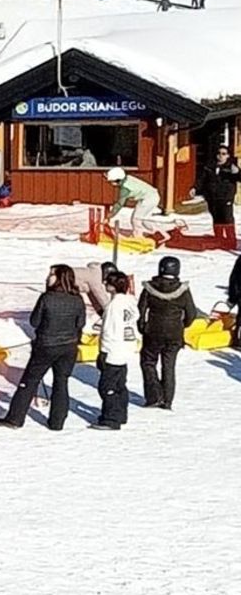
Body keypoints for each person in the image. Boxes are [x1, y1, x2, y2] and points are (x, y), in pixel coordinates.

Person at [0, 265, 85, 430]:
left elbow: (34, 321)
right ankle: (57, 422)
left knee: (30, 381)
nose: (47, 277)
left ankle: (15, 418)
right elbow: (81, 323)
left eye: (51, 274)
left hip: (46, 345)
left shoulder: (47, 298)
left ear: (59, 278)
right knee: (61, 382)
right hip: (69, 347)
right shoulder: (77, 299)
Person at [138, 254, 198, 410]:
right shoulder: (183, 290)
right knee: (169, 366)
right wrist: (182, 325)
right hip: (175, 334)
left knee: (148, 362)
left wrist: (142, 327)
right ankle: (167, 400)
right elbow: (192, 313)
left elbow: (141, 310)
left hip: (153, 332)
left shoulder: (150, 288)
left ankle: (153, 396)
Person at [92, 270, 138, 430]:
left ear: (113, 286)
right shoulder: (130, 302)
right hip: (127, 346)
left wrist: (103, 351)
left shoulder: (114, 306)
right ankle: (121, 413)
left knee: (107, 386)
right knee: (120, 384)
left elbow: (110, 331)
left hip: (113, 349)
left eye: (107, 282)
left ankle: (111, 419)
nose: (104, 284)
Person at [194, 146, 241, 249]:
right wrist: (194, 188)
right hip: (212, 197)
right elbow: (201, 179)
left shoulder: (231, 167)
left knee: (227, 218)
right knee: (216, 218)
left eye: (224, 154)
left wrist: (237, 172)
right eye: (219, 153)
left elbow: (239, 178)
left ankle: (230, 241)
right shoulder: (209, 166)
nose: (221, 156)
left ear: (228, 156)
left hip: (226, 197)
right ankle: (219, 239)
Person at [107, 167, 160, 233]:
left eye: (112, 181)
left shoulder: (125, 188)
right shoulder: (127, 178)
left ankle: (138, 238)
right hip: (151, 196)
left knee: (136, 219)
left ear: (118, 180)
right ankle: (156, 232)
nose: (111, 184)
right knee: (142, 218)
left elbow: (119, 204)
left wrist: (109, 216)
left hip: (149, 199)